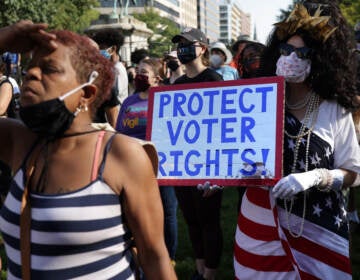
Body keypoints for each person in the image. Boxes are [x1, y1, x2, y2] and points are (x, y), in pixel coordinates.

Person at [0, 21, 177, 280]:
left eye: (49, 69)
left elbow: (154, 259)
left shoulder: (122, 155)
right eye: (29, 68)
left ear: (86, 93)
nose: (32, 75)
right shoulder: (20, 142)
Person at [234, 2, 360, 279]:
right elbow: (236, 154)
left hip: (320, 228)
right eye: (285, 50)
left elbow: (353, 173)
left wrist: (315, 178)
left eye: (301, 52)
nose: (290, 57)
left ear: (321, 59)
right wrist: (219, 176)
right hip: (261, 228)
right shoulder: (257, 101)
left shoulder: (333, 108)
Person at [116, 57, 179, 268]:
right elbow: (120, 132)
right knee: (137, 213)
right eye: (138, 71)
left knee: (167, 211)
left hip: (163, 165)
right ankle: (141, 253)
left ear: (157, 78)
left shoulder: (167, 99)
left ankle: (168, 257)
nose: (138, 74)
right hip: (133, 167)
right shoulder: (129, 102)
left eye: (144, 71)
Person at [171, 28, 223, 280]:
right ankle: (199, 269)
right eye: (179, 45)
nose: (182, 49)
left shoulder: (214, 80)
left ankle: (211, 274)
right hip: (183, 164)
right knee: (191, 219)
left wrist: (220, 173)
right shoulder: (177, 84)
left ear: (202, 48)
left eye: (187, 44)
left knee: (208, 220)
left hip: (208, 164)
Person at [91, 28, 129, 106]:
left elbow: (112, 95)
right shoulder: (112, 67)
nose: (99, 51)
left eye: (101, 48)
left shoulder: (117, 69)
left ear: (113, 49)